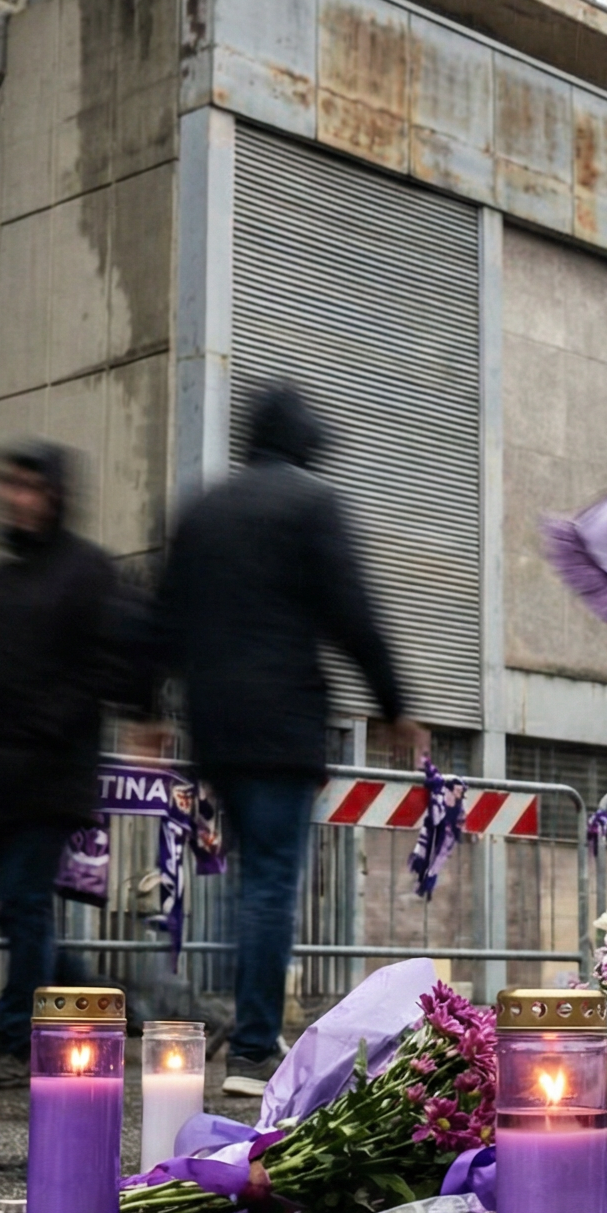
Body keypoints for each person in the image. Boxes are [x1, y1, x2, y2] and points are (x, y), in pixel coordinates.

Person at [157, 383, 421, 1097]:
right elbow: (352, 610)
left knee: (248, 882)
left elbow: (165, 615)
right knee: (271, 884)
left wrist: (144, 701)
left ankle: (254, 1024)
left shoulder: (203, 509)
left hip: (215, 727)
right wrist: (395, 703)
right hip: (281, 724)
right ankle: (249, 1048)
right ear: (303, 441)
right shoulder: (311, 503)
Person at [0, 442, 155, 1091]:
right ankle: (101, 997)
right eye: (9, 485)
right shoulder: (1, 580)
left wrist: (54, 724)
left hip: (46, 771)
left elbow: (114, 661)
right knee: (14, 912)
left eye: (30, 486)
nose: (17, 498)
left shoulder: (87, 571)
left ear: (56, 494)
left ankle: (16, 1040)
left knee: (24, 904)